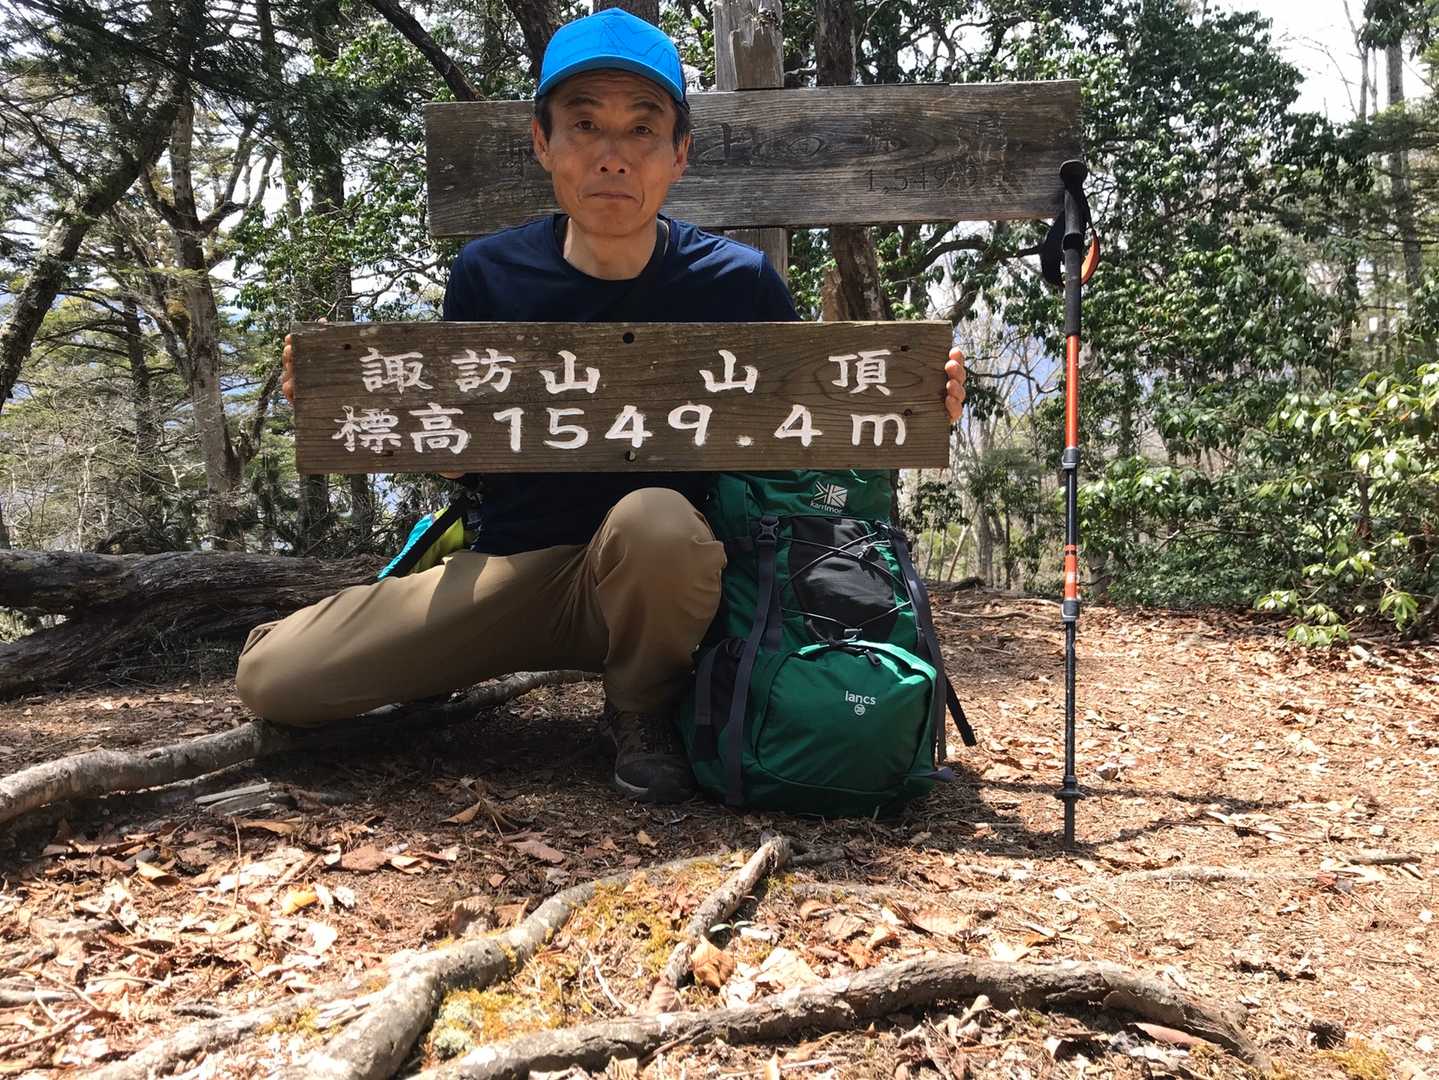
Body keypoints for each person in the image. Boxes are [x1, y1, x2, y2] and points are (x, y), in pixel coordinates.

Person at [236, 8, 967, 804]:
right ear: (542, 143)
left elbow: (795, 452)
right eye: (584, 125)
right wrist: (349, 401)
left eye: (641, 129)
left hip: (677, 588)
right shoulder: (488, 274)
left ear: (678, 153)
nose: (612, 155)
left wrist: (914, 402)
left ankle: (642, 710)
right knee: (275, 678)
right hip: (515, 572)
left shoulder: (738, 284)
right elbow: (460, 455)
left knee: (656, 521)